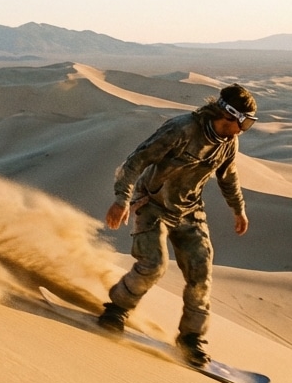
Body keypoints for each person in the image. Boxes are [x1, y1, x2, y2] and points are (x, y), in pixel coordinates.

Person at [100, 83, 258, 366]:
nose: (243, 129)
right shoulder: (182, 130)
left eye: (248, 123)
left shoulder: (229, 142)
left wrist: (239, 210)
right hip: (153, 206)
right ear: (227, 113)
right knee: (153, 266)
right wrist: (122, 199)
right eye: (243, 121)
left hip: (190, 212)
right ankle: (116, 310)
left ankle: (191, 339)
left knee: (201, 272)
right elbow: (136, 161)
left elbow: (228, 177)